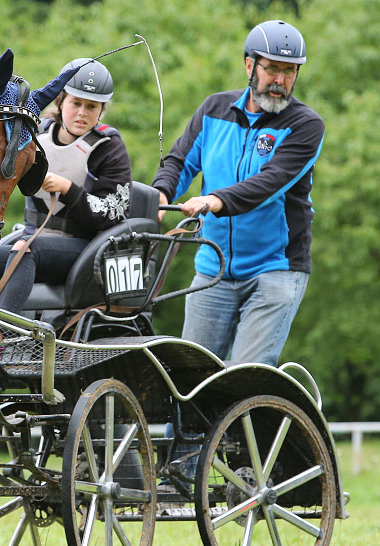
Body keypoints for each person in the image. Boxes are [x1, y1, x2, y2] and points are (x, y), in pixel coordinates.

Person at [152, 19, 324, 367]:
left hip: (275, 270)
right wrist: (159, 194)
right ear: (250, 65)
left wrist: (214, 200)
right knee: (189, 383)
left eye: (289, 72)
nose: (280, 81)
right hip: (212, 269)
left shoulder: (305, 125)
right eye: (272, 69)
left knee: (244, 379)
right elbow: (179, 161)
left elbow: (269, 183)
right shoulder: (214, 109)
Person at [0, 58, 132, 323]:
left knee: (28, 248)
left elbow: (115, 212)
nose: (82, 113)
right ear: (61, 102)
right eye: (76, 103)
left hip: (84, 251)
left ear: (101, 110)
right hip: (27, 240)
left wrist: (69, 189)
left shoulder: (109, 147)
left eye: (91, 106)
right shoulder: (34, 134)